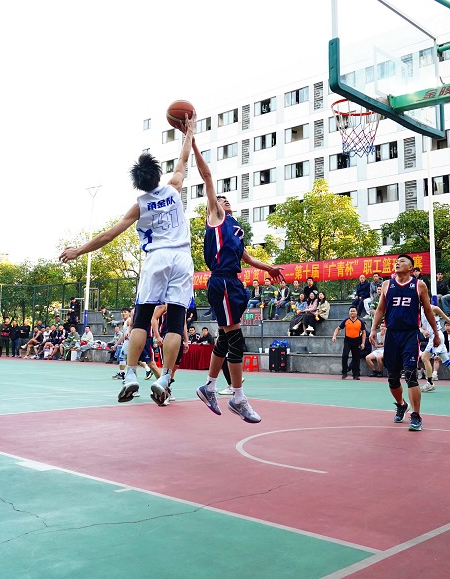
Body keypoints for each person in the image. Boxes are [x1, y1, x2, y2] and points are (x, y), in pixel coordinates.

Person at [60, 116, 194, 406]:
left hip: (157, 258)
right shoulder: (174, 188)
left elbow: (108, 235)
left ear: (139, 184)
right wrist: (189, 132)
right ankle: (165, 378)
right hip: (183, 259)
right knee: (175, 322)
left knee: (141, 319)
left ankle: (131, 374)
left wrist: (78, 251)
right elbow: (183, 159)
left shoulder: (140, 205)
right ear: (158, 174)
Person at [191, 138, 284, 424]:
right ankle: (238, 397)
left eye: (226, 199)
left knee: (224, 338)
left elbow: (247, 257)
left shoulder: (235, 228)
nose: (225, 199)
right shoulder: (216, 218)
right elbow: (207, 177)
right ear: (213, 206)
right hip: (222, 281)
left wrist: (269, 268)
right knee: (236, 340)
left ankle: (209, 387)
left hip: (232, 283)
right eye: (220, 199)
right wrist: (192, 143)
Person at [370, 254, 450, 433]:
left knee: (410, 375)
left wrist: (436, 334)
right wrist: (373, 328)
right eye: (397, 261)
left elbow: (428, 311)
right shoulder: (387, 285)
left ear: (411, 268)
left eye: (402, 261)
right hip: (392, 335)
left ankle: (416, 415)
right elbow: (381, 309)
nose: (398, 263)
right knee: (392, 378)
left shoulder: (419, 285)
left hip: (410, 335)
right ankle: (401, 404)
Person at [418, 306, 450, 392]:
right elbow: (419, 327)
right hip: (432, 337)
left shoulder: (434, 308)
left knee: (425, 358)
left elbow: (445, 317)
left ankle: (430, 383)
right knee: (446, 361)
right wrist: (424, 331)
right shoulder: (419, 311)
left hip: (437, 336)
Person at [332, 306, 366, 380]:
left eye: (354, 311)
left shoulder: (360, 322)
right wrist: (334, 336)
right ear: (349, 312)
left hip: (357, 341)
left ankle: (356, 374)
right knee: (345, 355)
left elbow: (364, 332)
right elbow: (338, 328)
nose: (352, 312)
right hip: (348, 340)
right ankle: (344, 372)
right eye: (351, 311)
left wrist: (363, 343)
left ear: (356, 312)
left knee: (356, 358)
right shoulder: (346, 320)